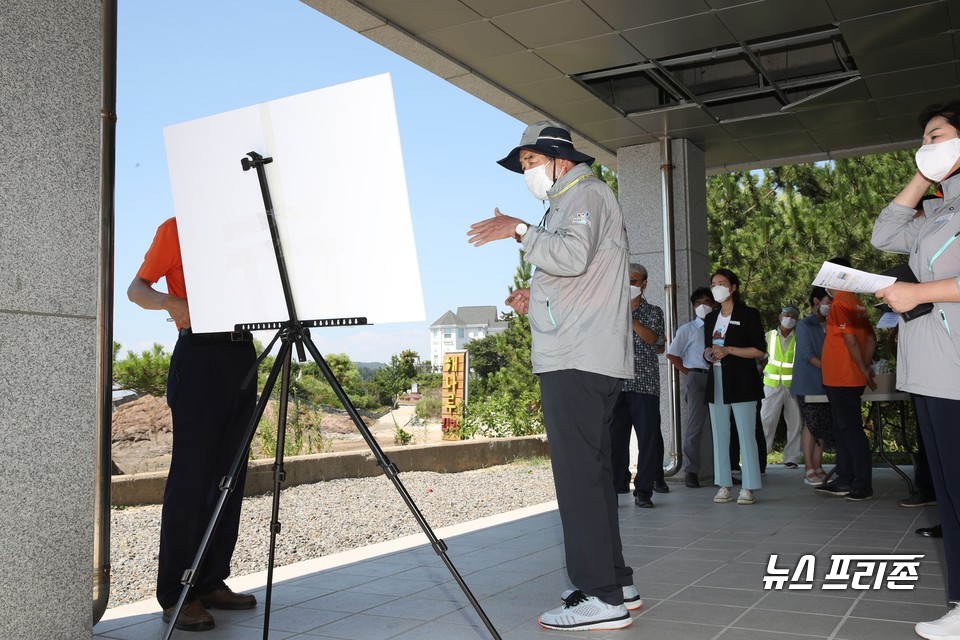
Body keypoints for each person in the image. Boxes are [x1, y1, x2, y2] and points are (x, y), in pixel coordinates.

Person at [467, 120, 638, 631]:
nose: (526, 172)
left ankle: (601, 598)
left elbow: (569, 254)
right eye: (523, 165)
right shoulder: (570, 200)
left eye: (530, 161)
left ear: (559, 157)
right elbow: (578, 275)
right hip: (586, 352)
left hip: (577, 359)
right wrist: (533, 299)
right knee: (596, 473)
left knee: (578, 478)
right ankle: (616, 581)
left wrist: (518, 229)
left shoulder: (585, 193)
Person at [128, 218, 258, 631]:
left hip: (243, 353)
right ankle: (177, 594)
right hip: (199, 354)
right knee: (192, 479)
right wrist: (172, 303)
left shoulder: (250, 227)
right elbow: (136, 290)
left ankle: (210, 580)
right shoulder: (176, 226)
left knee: (230, 476)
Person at [871, 100, 960, 640]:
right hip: (925, 371)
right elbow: (884, 234)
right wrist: (921, 175)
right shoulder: (939, 211)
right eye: (924, 139)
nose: (928, 145)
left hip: (956, 372)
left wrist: (917, 292)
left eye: (940, 135)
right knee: (948, 495)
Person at [815, 257, 876, 502]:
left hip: (842, 378)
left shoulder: (841, 303)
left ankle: (862, 484)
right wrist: (866, 367)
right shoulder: (857, 303)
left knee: (850, 431)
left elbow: (851, 339)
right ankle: (845, 480)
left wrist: (861, 368)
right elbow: (870, 338)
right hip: (846, 377)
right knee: (843, 430)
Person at [702, 269, 766, 505]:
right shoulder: (710, 318)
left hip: (742, 381)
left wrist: (729, 350)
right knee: (720, 435)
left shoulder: (748, 314)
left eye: (722, 283)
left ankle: (749, 487)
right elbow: (707, 347)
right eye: (713, 283)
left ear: (733, 287)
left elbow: (759, 350)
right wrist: (709, 353)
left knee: (746, 434)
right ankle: (723, 484)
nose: (717, 287)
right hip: (716, 379)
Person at [610, 264, 664, 508]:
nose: (629, 284)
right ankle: (615, 484)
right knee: (614, 440)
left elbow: (654, 340)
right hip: (616, 384)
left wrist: (629, 319)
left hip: (645, 384)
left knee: (648, 439)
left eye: (634, 280)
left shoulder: (653, 311)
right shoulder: (609, 310)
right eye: (625, 279)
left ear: (644, 284)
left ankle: (644, 490)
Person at [666, 287, 714, 488]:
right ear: (694, 307)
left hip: (718, 377)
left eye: (706, 302)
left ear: (714, 304)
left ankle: (724, 469)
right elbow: (672, 354)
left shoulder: (719, 327)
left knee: (721, 426)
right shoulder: (687, 329)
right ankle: (691, 471)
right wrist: (690, 373)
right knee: (694, 427)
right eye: (698, 303)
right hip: (697, 378)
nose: (702, 306)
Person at [791, 287, 832, 486]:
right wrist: (832, 369)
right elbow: (807, 355)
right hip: (807, 382)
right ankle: (808, 467)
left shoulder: (832, 324)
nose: (830, 305)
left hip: (828, 383)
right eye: (827, 300)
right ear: (816, 301)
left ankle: (818, 465)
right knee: (810, 423)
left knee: (822, 423)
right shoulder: (804, 324)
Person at [759, 305, 802, 468]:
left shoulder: (799, 338)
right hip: (771, 385)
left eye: (793, 316)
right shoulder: (769, 336)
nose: (789, 318)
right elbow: (760, 358)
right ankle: (761, 455)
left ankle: (792, 458)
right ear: (780, 317)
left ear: (797, 320)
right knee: (766, 421)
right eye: (786, 314)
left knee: (795, 422)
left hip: (793, 386)